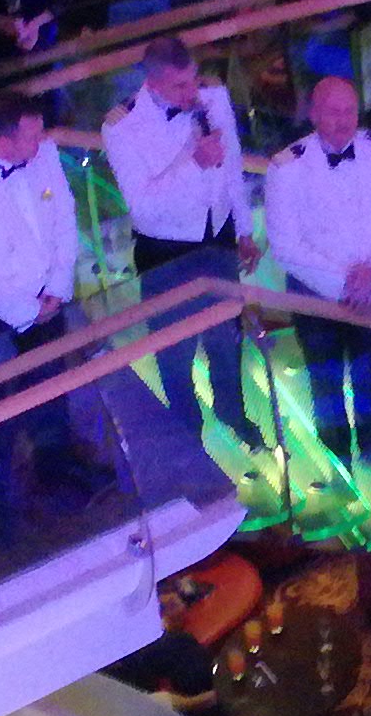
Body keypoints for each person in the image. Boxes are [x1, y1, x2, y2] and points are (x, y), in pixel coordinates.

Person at [0, 92, 99, 515]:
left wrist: (57, 287)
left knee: (51, 383)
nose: (43, 140)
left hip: (48, 295)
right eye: (32, 135)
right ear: (4, 141)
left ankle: (55, 471)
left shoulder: (43, 154)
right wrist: (29, 310)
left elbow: (65, 217)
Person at [103, 34, 261, 442]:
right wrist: (194, 163)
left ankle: (232, 411)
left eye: (193, 79)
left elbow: (232, 166)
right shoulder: (122, 126)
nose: (192, 92)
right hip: (166, 249)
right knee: (174, 350)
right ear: (152, 82)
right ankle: (188, 433)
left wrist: (244, 229)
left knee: (226, 338)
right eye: (179, 85)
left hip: (218, 236)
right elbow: (142, 207)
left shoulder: (213, 96)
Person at [263, 77, 371, 492]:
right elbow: (285, 246)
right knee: (326, 385)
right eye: (333, 111)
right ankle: (339, 468)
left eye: (350, 110)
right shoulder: (286, 168)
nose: (344, 120)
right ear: (313, 114)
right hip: (317, 299)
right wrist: (346, 287)